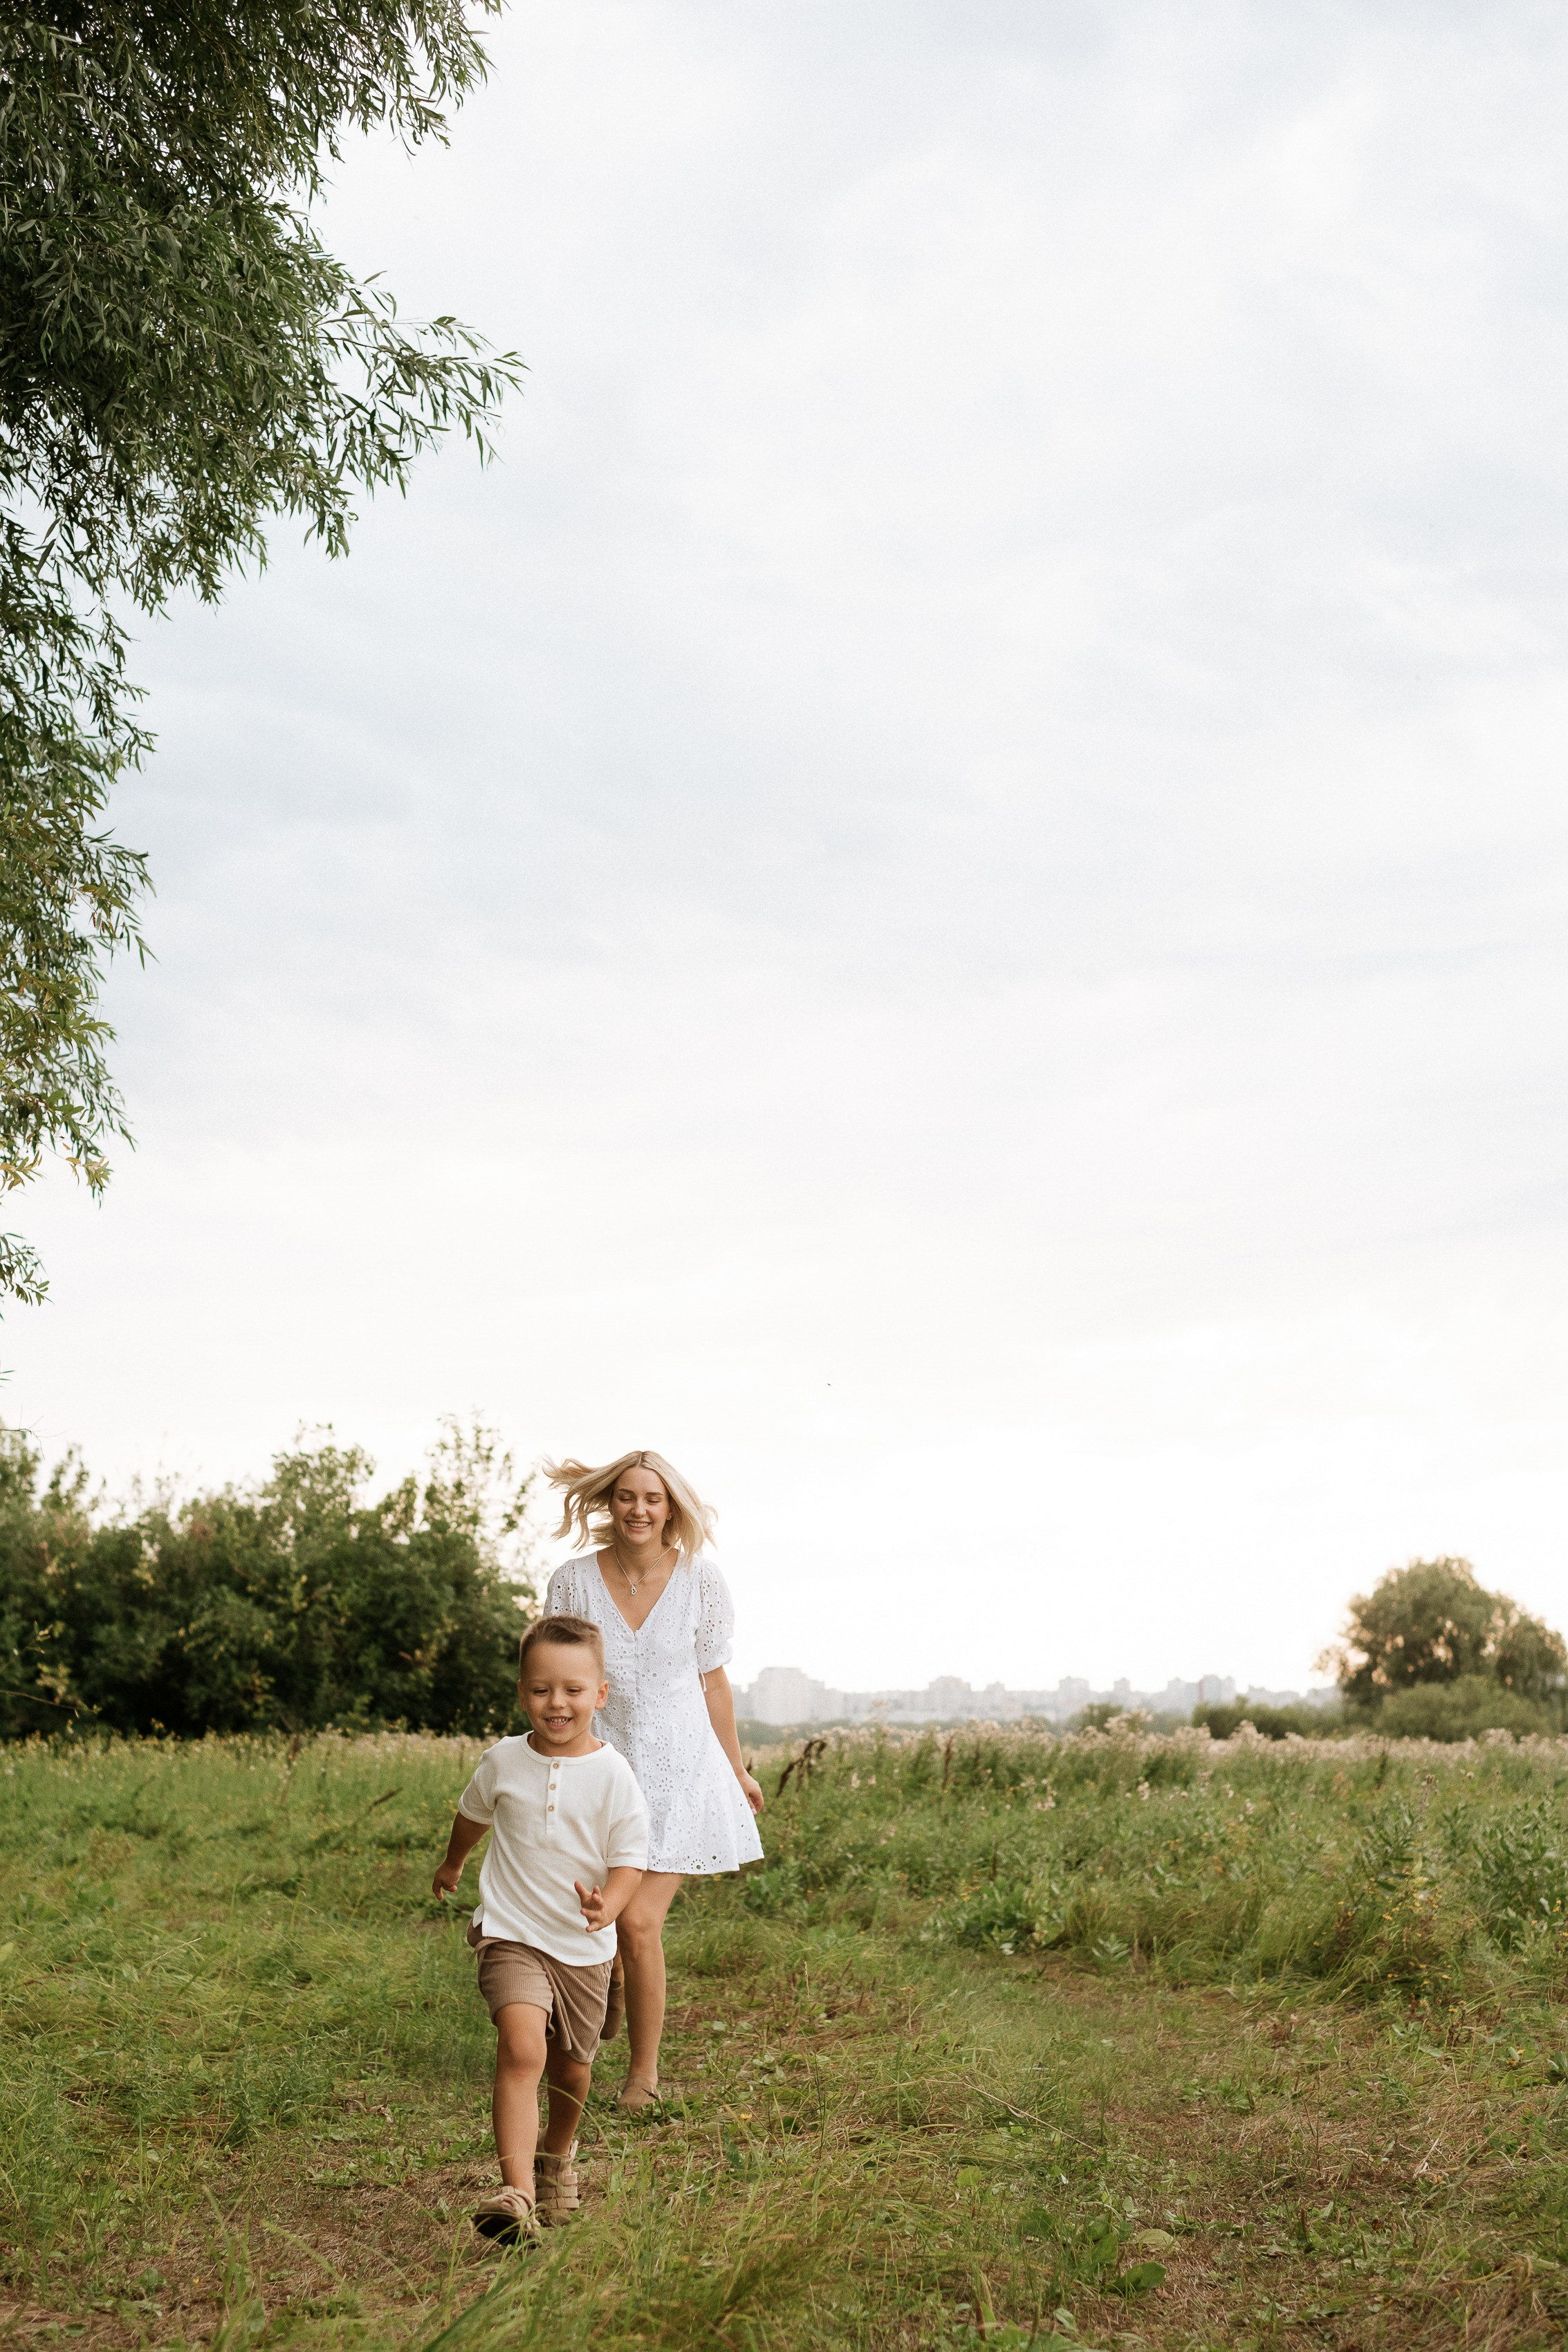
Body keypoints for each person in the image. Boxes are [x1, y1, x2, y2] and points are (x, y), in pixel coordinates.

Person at [543, 1449, 764, 2109]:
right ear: (608, 1503)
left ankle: (643, 2076)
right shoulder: (573, 1581)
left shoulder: (701, 1580)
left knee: (637, 1921)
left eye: (653, 1499)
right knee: (595, 1916)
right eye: (626, 1497)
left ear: (672, 1508)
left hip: (681, 1769)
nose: (639, 1510)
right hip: (601, 1767)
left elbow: (713, 1680)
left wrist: (735, 1767)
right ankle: (606, 1978)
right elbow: (556, 1676)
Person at [431, 1614, 648, 2243]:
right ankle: (517, 2191)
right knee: (522, 2051)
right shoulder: (503, 1759)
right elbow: (473, 1815)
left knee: (572, 2069)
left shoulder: (614, 1774)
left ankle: (558, 2154)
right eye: (541, 1689)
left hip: (581, 1944)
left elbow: (630, 1856)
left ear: (599, 1695)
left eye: (573, 1691)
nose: (556, 1704)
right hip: (511, 1930)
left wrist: (610, 1905)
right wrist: (453, 1862)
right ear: (522, 1691)